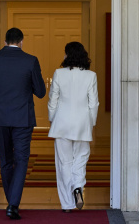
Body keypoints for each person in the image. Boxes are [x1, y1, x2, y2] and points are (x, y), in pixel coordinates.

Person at [0, 27, 46, 220]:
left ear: (4, 41)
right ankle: (13, 204)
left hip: (0, 117)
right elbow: (41, 92)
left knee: (5, 160)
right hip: (22, 118)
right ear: (21, 41)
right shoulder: (30, 60)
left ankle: (11, 201)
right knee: (21, 160)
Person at [48, 41, 99, 212]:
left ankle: (67, 204)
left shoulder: (59, 73)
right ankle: (78, 187)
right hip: (82, 124)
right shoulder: (91, 76)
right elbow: (94, 104)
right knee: (81, 159)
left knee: (64, 162)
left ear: (67, 55)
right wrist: (90, 123)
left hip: (62, 123)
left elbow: (53, 100)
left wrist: (52, 119)